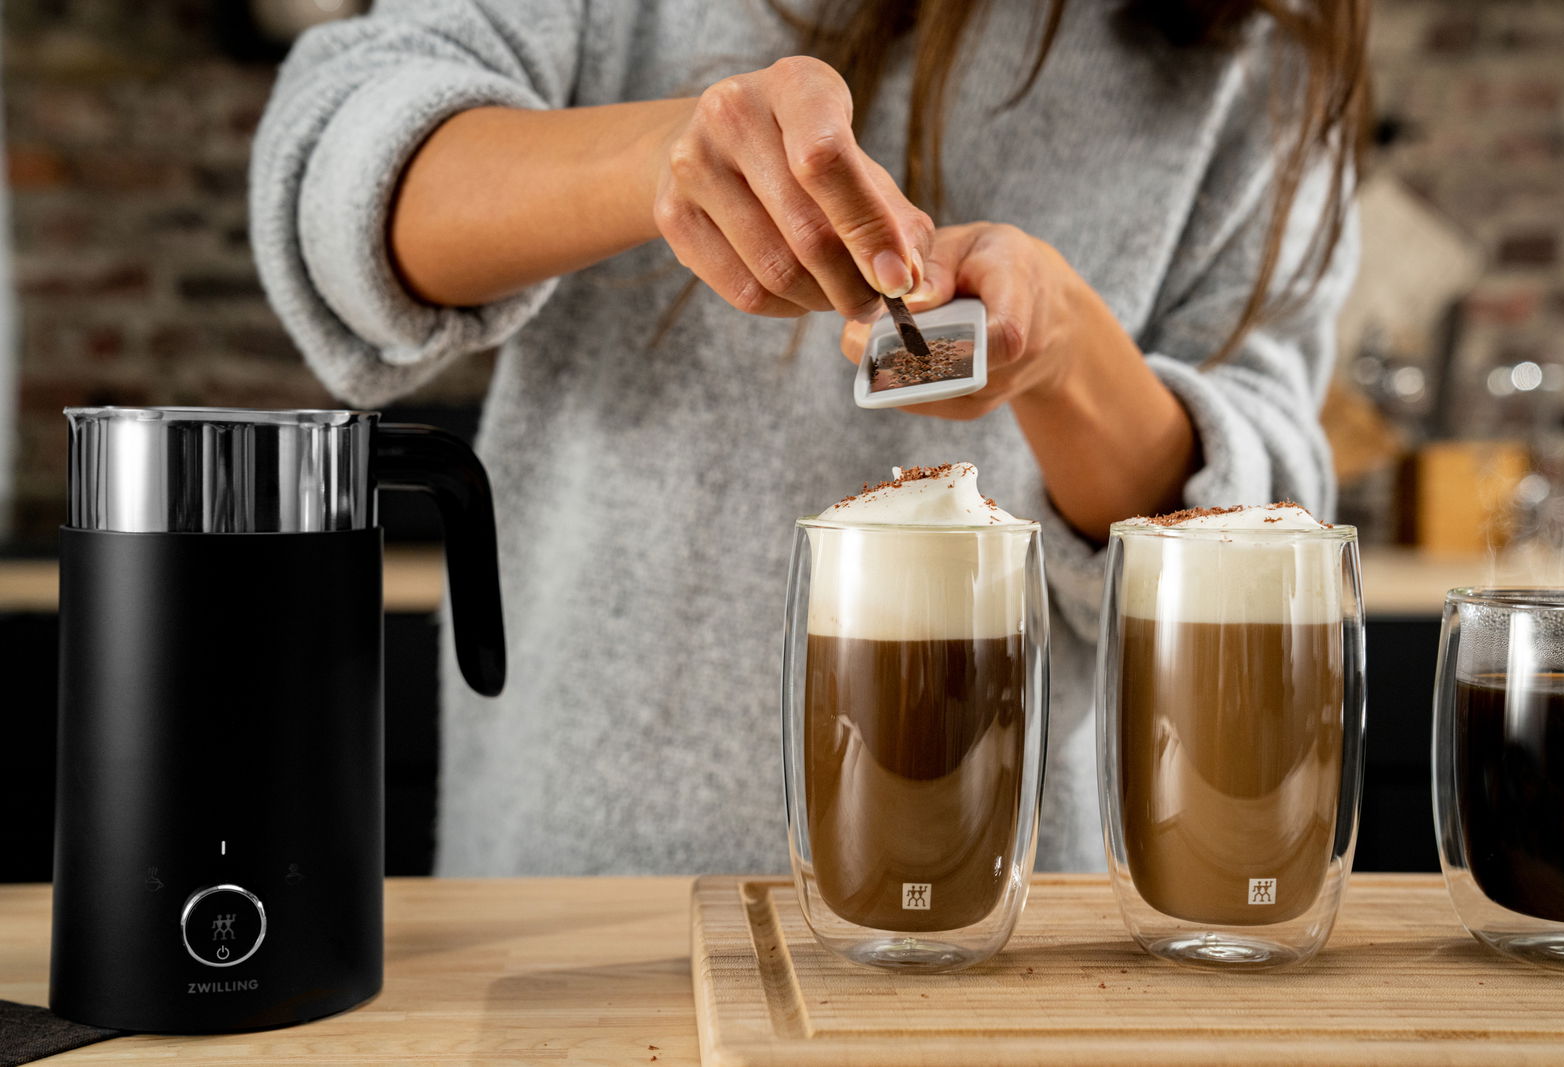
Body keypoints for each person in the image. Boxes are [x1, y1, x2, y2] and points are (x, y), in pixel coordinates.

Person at [250, 0, 1367, 876]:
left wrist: (1068, 355)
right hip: (578, 878)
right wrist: (665, 159)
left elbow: (1255, 539)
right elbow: (337, 181)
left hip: (1008, 897)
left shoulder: (1261, 54)